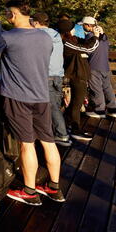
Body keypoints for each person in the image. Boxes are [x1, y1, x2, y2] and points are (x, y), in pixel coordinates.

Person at [0, 0, 63, 206]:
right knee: (49, 141)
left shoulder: (7, 37)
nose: (7, 17)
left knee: (27, 144)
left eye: (8, 13)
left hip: (18, 97)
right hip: (41, 96)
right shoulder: (45, 37)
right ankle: (54, 187)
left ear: (14, 14)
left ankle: (29, 191)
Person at [30, 13, 71, 147]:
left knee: (53, 108)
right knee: (55, 106)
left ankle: (62, 135)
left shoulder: (38, 35)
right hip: (58, 75)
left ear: (36, 22)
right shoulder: (55, 34)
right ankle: (57, 131)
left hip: (46, 75)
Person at [58, 19, 99, 141]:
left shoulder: (73, 39)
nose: (75, 29)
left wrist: (96, 35)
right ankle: (75, 129)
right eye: (73, 27)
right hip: (76, 75)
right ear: (68, 30)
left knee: (76, 103)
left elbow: (87, 43)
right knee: (77, 103)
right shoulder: (66, 42)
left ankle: (69, 125)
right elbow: (89, 48)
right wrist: (95, 37)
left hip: (81, 74)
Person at [82, 17, 116, 119]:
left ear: (89, 26)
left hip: (94, 66)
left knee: (96, 89)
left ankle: (100, 111)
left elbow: (88, 50)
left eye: (83, 25)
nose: (82, 27)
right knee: (108, 89)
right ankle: (113, 110)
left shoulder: (90, 37)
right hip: (105, 66)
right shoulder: (105, 37)